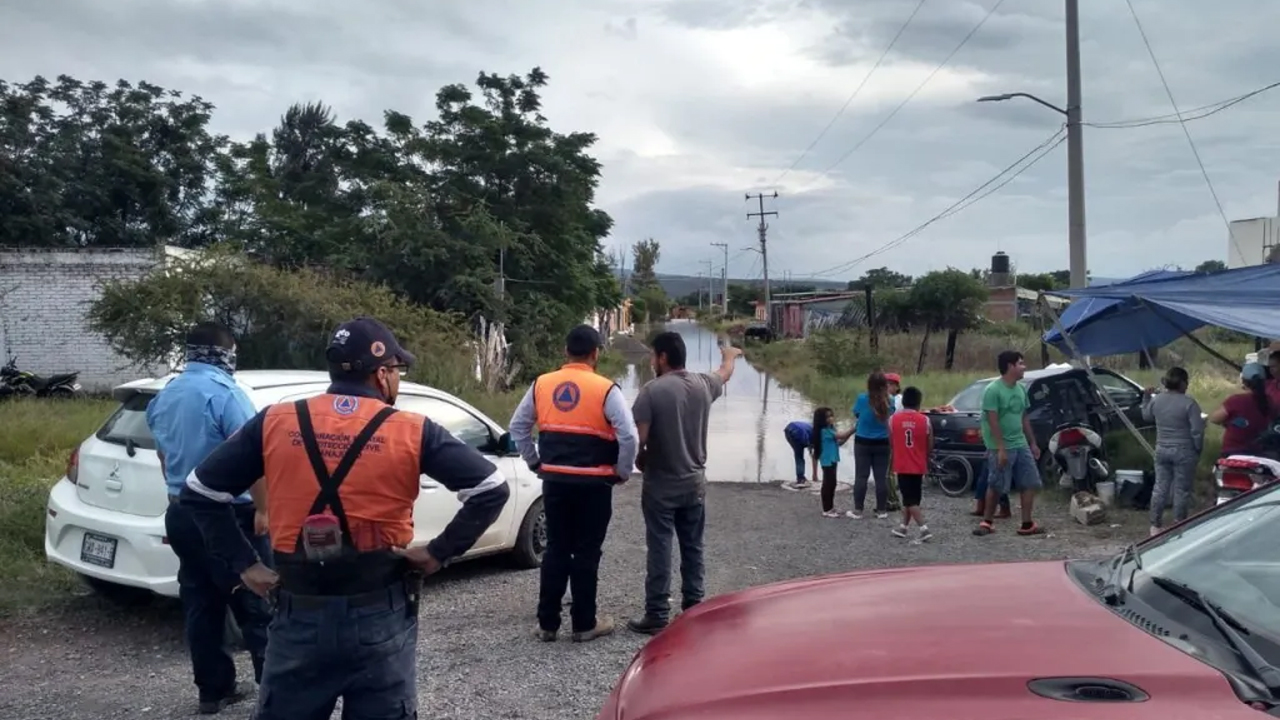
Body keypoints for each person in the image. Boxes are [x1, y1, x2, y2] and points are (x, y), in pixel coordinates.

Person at [181, 317, 510, 720]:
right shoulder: (412, 429)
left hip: (297, 610)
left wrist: (245, 566)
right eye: (397, 371)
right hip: (380, 611)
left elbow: (199, 493)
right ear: (383, 373)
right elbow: (491, 488)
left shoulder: (275, 421)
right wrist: (438, 553)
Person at [145, 322, 271, 715]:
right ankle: (274, 692)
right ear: (226, 353)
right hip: (230, 512)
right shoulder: (227, 394)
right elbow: (256, 457)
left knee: (201, 603)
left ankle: (213, 692)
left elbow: (164, 456)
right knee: (258, 602)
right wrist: (266, 509)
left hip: (181, 511)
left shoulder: (165, 395)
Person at [508, 325, 638, 643]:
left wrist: (534, 462)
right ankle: (583, 624)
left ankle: (547, 624)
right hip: (594, 485)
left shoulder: (542, 384)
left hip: (555, 481)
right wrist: (621, 471)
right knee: (587, 551)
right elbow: (629, 436)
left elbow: (518, 427)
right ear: (595, 354)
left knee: (556, 548)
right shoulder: (606, 389)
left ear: (565, 352)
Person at [627, 332, 742, 635]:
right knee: (693, 545)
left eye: (653, 356)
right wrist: (729, 354)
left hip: (661, 485)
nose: (652, 361)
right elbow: (725, 373)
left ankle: (657, 613)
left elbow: (639, 440)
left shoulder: (651, 392)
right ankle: (693, 605)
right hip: (694, 482)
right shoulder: (703, 384)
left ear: (663, 357)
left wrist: (639, 459)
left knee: (660, 546)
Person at [974, 350, 1044, 537]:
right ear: (1010, 366)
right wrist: (1001, 449)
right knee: (996, 484)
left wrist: (1033, 442)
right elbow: (992, 421)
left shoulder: (1020, 389)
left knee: (1030, 482)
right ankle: (987, 522)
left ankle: (1027, 523)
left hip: (1020, 443)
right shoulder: (993, 390)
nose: (1024, 367)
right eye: (1021, 363)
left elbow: (1024, 417)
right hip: (1000, 445)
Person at [1141, 367, 1205, 536]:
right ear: (1183, 383)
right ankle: (1179, 524)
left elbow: (1147, 416)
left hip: (1162, 448)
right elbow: (1197, 431)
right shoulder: (1189, 403)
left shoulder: (1157, 400)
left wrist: (1146, 397)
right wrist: (1198, 448)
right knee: (1181, 489)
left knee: (1160, 487)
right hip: (1184, 450)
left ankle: (1155, 525)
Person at [849, 371, 895, 519]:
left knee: (861, 476)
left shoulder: (862, 399)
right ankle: (881, 510)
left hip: (863, 441)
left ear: (869, 384)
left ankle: (858, 510)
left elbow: (857, 414)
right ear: (885, 385)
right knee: (881, 477)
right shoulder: (890, 401)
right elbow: (890, 415)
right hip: (883, 441)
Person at [889, 386, 933, 542]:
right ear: (918, 403)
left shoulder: (893, 419)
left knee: (909, 499)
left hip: (902, 464)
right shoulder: (925, 420)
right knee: (913, 497)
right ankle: (903, 527)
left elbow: (891, 442)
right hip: (918, 464)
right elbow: (930, 446)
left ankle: (923, 528)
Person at [1209, 362, 1274, 458]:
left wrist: (1228, 422)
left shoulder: (1236, 400)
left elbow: (1214, 418)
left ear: (1243, 381)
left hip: (1233, 451)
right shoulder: (1270, 401)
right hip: (1260, 453)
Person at [811, 406, 853, 517]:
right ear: (821, 420)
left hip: (833, 459)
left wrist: (849, 435)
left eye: (831, 415)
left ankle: (831, 507)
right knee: (828, 483)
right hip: (827, 460)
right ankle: (826, 509)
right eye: (827, 417)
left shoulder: (830, 430)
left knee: (832, 483)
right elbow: (842, 435)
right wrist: (854, 428)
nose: (831, 418)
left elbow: (839, 442)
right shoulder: (824, 431)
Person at [781, 419, 814, 490]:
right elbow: (814, 454)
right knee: (799, 457)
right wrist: (815, 475)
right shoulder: (818, 435)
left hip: (789, 429)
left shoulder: (812, 427)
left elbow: (811, 449)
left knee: (798, 454)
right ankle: (800, 479)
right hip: (799, 432)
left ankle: (801, 477)